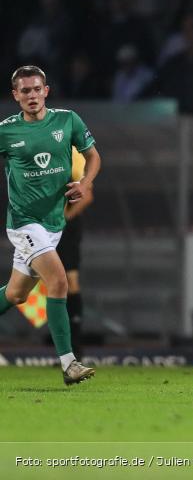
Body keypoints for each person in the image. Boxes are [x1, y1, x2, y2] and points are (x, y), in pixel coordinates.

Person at [0, 65, 100, 385]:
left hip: (54, 223)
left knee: (16, 294)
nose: (31, 95)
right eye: (24, 91)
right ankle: (69, 363)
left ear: (46, 91)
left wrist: (85, 183)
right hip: (24, 223)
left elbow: (94, 156)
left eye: (36, 89)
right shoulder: (6, 131)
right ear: (16, 96)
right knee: (59, 282)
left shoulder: (68, 120)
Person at [57, 146, 93, 359]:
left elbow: (87, 196)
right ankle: (65, 349)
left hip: (66, 228)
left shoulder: (72, 154)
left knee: (70, 281)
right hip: (44, 226)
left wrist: (65, 218)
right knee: (39, 284)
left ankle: (74, 349)